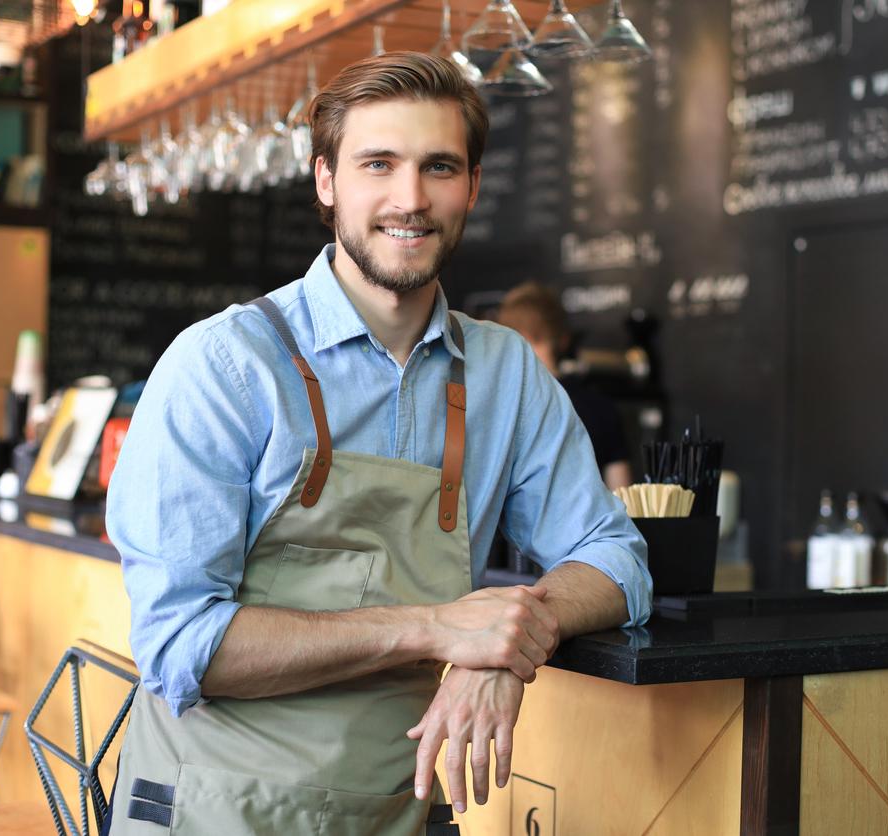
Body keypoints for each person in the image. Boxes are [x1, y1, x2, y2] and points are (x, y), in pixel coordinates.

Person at [104, 52, 651, 836]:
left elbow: (616, 557)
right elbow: (182, 645)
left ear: (473, 187)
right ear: (326, 182)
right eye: (378, 164)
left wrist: (507, 643)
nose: (411, 198)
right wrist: (436, 628)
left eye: (438, 167)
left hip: (396, 814)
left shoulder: (504, 374)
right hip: (214, 811)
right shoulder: (224, 364)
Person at [496, 282, 633, 491]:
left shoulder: (501, 407)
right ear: (564, 339)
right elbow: (624, 497)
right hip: (591, 523)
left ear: (505, 338)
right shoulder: (601, 408)